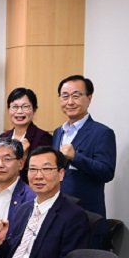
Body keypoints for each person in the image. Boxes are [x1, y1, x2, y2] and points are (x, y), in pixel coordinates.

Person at [52, 75, 116, 217]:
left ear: (89, 98)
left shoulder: (102, 133)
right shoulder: (58, 132)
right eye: (65, 96)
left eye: (76, 96)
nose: (70, 102)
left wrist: (75, 157)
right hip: (58, 209)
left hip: (86, 212)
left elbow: (106, 172)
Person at [0, 88, 52, 181]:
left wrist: (24, 156)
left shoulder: (43, 138)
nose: (19, 111)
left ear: (34, 110)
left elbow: (43, 173)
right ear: (8, 109)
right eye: (15, 107)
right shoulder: (3, 138)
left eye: (25, 107)